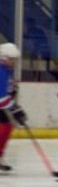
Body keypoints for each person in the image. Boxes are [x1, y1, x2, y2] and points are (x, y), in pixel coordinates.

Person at [0, 43, 27, 173]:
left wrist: (11, 90)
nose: (14, 62)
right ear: (4, 58)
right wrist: (15, 109)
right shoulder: (1, 71)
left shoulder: (6, 70)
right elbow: (1, 98)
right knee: (4, 126)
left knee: (6, 126)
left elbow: (6, 91)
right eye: (12, 59)